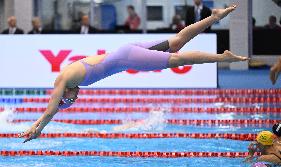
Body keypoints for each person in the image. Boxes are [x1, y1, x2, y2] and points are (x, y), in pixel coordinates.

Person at [19, 5, 249, 143]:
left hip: (125, 57)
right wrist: (38, 124)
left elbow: (50, 111)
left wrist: (37, 129)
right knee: (177, 42)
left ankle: (223, 57)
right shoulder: (68, 79)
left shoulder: (63, 80)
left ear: (63, 94)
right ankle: (215, 16)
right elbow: (51, 109)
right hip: (124, 50)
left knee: (178, 59)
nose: (75, 97)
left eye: (71, 98)